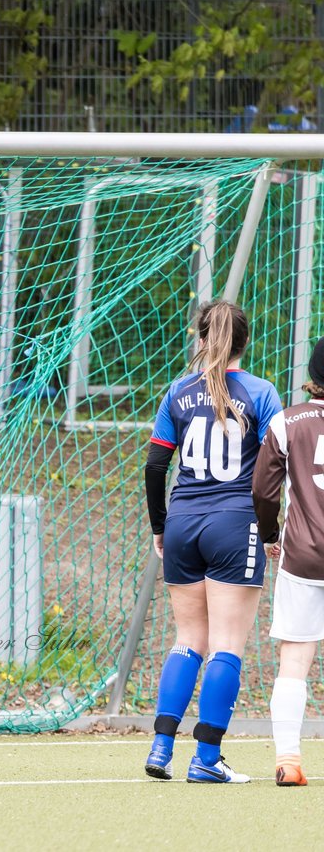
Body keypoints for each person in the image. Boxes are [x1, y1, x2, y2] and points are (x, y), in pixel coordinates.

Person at [142, 300, 282, 783]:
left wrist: (161, 526)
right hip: (233, 524)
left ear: (200, 339)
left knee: (188, 640)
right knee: (226, 644)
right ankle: (205, 760)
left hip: (182, 522)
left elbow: (156, 466)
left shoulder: (177, 393)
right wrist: (270, 532)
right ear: (246, 341)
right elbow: (270, 473)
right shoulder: (262, 392)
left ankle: (161, 749)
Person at [251, 337, 324, 786]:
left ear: (313, 378)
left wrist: (271, 535)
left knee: (294, 660)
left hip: (301, 556)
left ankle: (289, 761)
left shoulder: (286, 421)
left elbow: (262, 491)